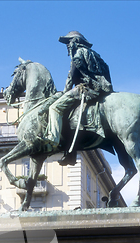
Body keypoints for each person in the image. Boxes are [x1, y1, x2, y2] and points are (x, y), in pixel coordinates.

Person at [43, 31, 113, 165]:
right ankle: (70, 153)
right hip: (100, 89)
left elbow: (73, 75)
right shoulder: (95, 54)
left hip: (84, 89)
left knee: (54, 108)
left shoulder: (78, 53)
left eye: (69, 42)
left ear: (75, 41)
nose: (68, 45)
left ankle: (53, 140)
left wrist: (65, 92)